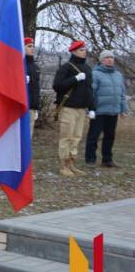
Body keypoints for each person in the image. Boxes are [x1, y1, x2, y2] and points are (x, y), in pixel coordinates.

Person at [52, 40, 95, 177]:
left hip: (81, 108)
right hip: (69, 107)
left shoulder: (87, 68)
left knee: (77, 136)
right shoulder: (66, 67)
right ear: (74, 51)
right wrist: (75, 79)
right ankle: (63, 165)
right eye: (82, 50)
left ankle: (71, 163)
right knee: (67, 136)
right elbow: (57, 86)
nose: (84, 52)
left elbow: (89, 90)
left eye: (84, 49)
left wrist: (92, 107)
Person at [85, 49, 128, 167]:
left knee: (110, 136)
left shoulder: (118, 75)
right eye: (106, 58)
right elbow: (91, 93)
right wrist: (90, 109)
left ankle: (107, 159)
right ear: (101, 60)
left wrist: (123, 109)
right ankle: (90, 159)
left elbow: (122, 94)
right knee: (94, 135)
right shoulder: (95, 74)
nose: (110, 60)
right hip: (99, 111)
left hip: (113, 111)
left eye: (112, 57)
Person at [25, 38, 42, 138]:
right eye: (29, 46)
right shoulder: (18, 64)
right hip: (20, 107)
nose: (32, 48)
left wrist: (36, 107)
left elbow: (36, 89)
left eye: (33, 46)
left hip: (31, 106)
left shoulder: (35, 67)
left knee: (28, 135)